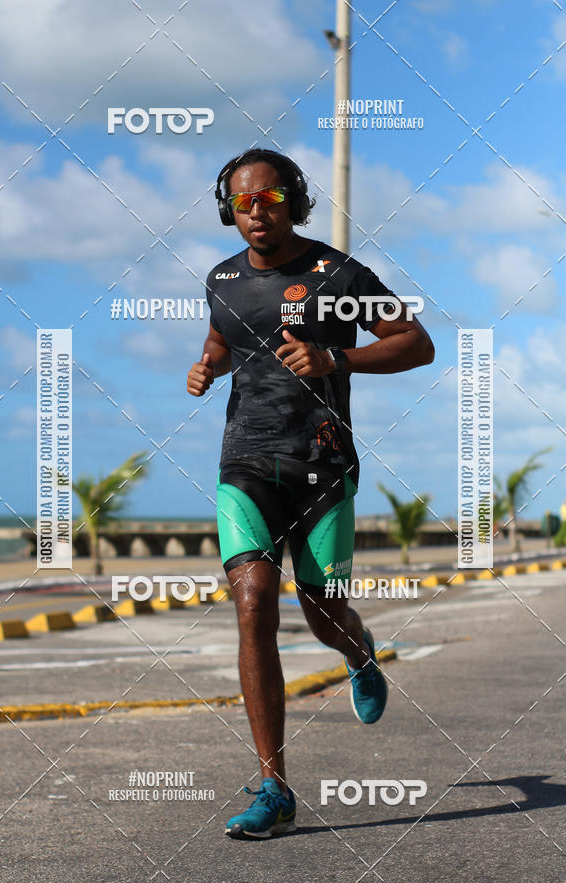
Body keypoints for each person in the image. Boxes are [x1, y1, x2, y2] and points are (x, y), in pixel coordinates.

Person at [186, 148, 435, 839]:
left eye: (268, 199)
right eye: (242, 202)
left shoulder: (339, 275)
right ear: (227, 209)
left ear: (292, 200)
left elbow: (417, 342)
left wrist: (336, 357)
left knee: (323, 613)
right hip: (245, 464)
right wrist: (207, 365)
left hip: (322, 469)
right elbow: (221, 336)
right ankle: (274, 786)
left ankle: (357, 650)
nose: (255, 212)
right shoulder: (222, 279)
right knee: (253, 601)